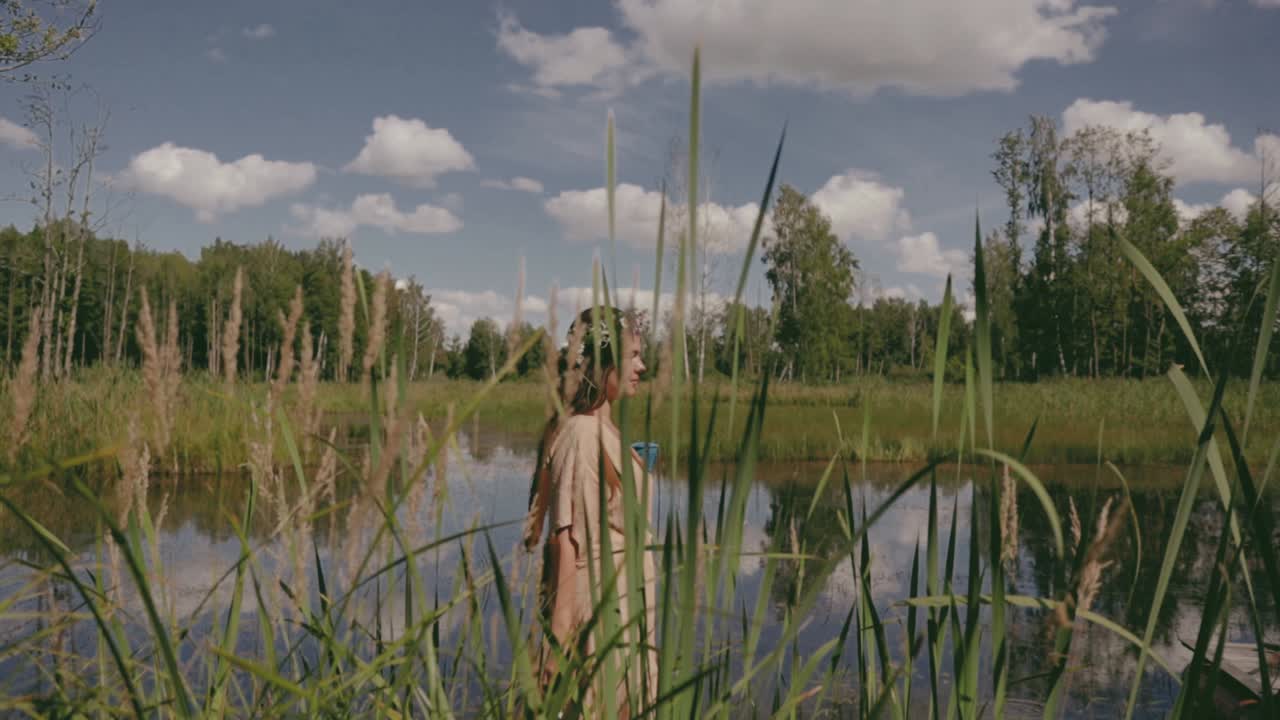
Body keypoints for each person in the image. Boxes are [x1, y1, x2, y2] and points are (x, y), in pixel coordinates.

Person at [522, 306, 658, 717]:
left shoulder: (604, 429)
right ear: (603, 362)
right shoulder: (581, 432)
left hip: (624, 611)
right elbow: (567, 540)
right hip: (599, 616)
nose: (642, 366)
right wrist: (559, 642)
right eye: (632, 355)